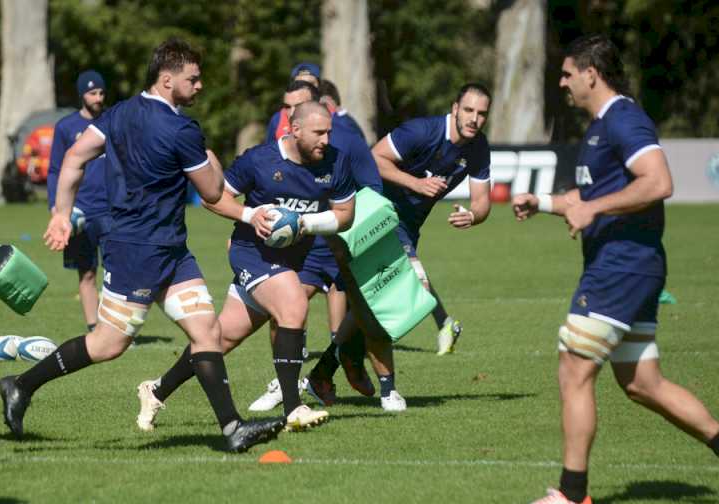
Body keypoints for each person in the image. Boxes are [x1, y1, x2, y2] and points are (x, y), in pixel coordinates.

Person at [513, 35, 719, 504]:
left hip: (621, 268)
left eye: (568, 74)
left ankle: (572, 495)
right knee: (642, 383)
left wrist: (594, 211)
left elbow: (659, 181)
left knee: (574, 369)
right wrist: (544, 202)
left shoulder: (624, 120)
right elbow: (588, 201)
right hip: (632, 268)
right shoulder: (597, 128)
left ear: (592, 74)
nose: (562, 83)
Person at [0, 38, 285, 452]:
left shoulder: (118, 113)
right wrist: (213, 162)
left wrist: (62, 212)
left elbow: (76, 156)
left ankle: (233, 429)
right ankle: (20, 385)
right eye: (194, 78)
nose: (201, 85)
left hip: (169, 249)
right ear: (167, 80)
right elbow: (211, 191)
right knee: (107, 345)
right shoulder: (182, 129)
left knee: (207, 330)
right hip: (137, 252)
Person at [135, 101, 354, 433]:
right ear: (295, 130)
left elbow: (344, 215)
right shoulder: (259, 160)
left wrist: (303, 224)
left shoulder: (335, 162)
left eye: (329, 132)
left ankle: (156, 390)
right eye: (319, 132)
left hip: (289, 260)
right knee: (294, 305)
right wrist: (251, 216)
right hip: (251, 252)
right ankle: (294, 408)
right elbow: (215, 197)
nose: (326, 139)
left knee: (218, 340)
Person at [247, 80, 389, 411]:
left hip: (341, 242)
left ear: (319, 108)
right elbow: (268, 184)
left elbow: (373, 189)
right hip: (301, 247)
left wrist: (351, 226)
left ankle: (340, 366)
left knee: (359, 316)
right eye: (285, 107)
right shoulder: (280, 133)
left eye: (295, 106)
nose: (288, 113)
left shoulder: (348, 141)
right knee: (283, 311)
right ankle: (288, 382)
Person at [370, 82, 493, 355]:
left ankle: (443, 323)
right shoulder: (422, 131)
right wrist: (415, 184)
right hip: (377, 210)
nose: (474, 119)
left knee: (388, 283)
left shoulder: (478, 147)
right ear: (455, 109)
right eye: (469, 110)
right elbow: (375, 158)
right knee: (409, 279)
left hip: (410, 222)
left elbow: (483, 201)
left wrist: (473, 215)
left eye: (482, 113)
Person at [47, 70, 112, 332]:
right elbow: (54, 170)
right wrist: (57, 208)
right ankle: (94, 329)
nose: (98, 97)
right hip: (79, 211)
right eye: (92, 92)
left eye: (101, 92)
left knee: (116, 273)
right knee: (86, 273)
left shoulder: (111, 122)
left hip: (111, 211)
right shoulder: (65, 127)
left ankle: (114, 328)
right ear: (81, 94)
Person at [265, 63, 322, 141]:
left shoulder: (333, 117)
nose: (306, 88)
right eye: (299, 84)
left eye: (310, 84)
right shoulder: (278, 119)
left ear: (319, 86)